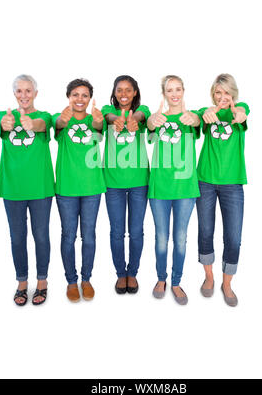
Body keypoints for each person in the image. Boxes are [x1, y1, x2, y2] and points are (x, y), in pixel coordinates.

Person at [0, 74, 54, 306]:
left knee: (41, 236)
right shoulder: (4, 115)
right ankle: (21, 282)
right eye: (19, 91)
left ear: (35, 94)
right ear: (14, 94)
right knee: (17, 237)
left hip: (40, 187)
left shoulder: (45, 117)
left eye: (28, 91)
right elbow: (4, 125)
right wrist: (8, 123)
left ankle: (42, 281)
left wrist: (32, 123)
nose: (24, 95)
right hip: (13, 188)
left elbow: (41, 125)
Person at [196, 73, 250, 307]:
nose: (223, 97)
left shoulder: (241, 108)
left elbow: (242, 114)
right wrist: (208, 113)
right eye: (218, 93)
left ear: (233, 94)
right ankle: (209, 277)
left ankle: (227, 283)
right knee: (206, 231)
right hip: (205, 181)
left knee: (234, 237)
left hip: (232, 184)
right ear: (213, 94)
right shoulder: (207, 112)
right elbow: (202, 118)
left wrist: (238, 113)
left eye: (227, 92)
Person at [147, 75, 200, 305]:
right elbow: (148, 131)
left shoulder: (191, 117)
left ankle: (176, 282)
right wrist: (151, 121)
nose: (174, 94)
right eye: (170, 90)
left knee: (180, 238)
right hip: (160, 187)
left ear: (184, 91)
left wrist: (195, 118)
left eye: (178, 89)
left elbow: (198, 122)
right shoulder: (157, 118)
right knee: (161, 238)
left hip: (186, 187)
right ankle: (161, 279)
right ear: (164, 94)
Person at [53, 78, 106, 302]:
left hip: (92, 186)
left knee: (89, 236)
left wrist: (99, 122)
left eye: (85, 95)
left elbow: (99, 129)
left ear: (90, 98)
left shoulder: (95, 119)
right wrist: (61, 121)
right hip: (66, 187)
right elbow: (58, 126)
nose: (80, 99)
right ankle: (71, 281)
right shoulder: (60, 118)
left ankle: (86, 279)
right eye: (75, 94)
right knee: (68, 235)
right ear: (68, 97)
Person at [101, 75, 150, 295]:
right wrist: (116, 120)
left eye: (128, 90)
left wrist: (134, 120)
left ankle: (133, 273)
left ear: (135, 93)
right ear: (114, 92)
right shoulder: (105, 110)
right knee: (117, 232)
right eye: (119, 90)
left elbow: (141, 115)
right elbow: (108, 116)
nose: (123, 94)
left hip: (139, 182)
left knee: (137, 231)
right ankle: (121, 273)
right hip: (113, 182)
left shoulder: (144, 110)